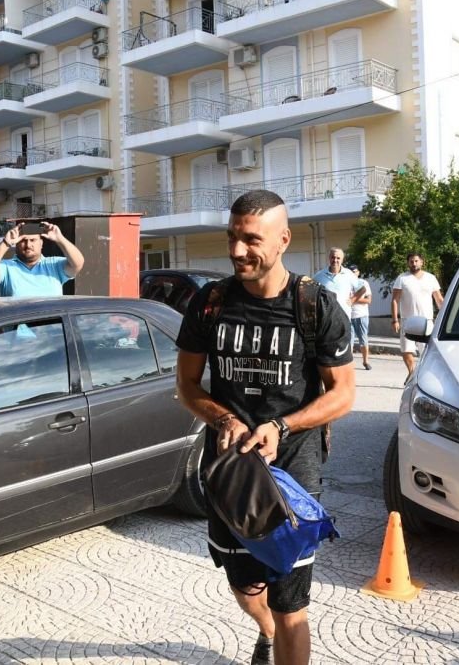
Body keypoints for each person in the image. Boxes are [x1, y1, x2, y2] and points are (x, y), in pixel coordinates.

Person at [176, 190, 355, 665]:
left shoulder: (315, 306)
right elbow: (187, 385)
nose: (237, 251)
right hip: (232, 474)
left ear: (283, 240)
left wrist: (282, 426)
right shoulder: (210, 303)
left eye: (252, 240)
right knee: (244, 585)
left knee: (290, 604)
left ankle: (279, 628)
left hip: (293, 474)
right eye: (232, 238)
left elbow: (343, 394)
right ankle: (266, 631)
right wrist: (225, 418)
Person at [0, 220, 85, 297]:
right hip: (18, 323)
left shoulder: (54, 265)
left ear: (41, 243)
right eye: (23, 240)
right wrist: (6, 243)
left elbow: (78, 264)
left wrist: (59, 238)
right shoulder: (7, 268)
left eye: (33, 240)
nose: (28, 245)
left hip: (52, 323)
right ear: (16, 243)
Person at [391, 252, 444, 376]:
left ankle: (422, 374)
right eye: (411, 261)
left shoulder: (430, 278)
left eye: (416, 261)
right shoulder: (402, 278)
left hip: (426, 321)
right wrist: (395, 320)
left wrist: (445, 318)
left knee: (427, 350)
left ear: (421, 262)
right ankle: (411, 372)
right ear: (408, 263)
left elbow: (439, 299)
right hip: (407, 320)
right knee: (406, 350)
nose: (414, 264)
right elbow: (395, 300)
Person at [312, 247, 363, 319]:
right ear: (329, 258)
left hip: (344, 317)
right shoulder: (319, 276)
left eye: (338, 258)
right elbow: (311, 292)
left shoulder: (349, 274)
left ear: (342, 260)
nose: (335, 260)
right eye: (333, 257)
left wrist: (352, 300)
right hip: (326, 319)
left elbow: (362, 289)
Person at [349, 265, 372, 371]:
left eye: (354, 271)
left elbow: (368, 300)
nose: (353, 273)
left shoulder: (363, 283)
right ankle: (349, 363)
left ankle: (366, 361)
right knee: (349, 341)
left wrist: (352, 299)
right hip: (348, 316)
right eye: (351, 272)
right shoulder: (346, 283)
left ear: (358, 272)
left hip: (361, 315)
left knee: (363, 339)